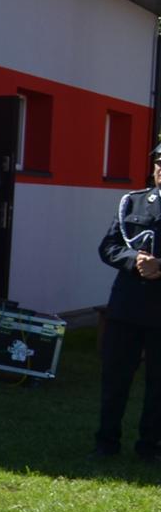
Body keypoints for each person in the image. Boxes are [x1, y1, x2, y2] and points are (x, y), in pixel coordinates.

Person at [93, 144, 161, 463]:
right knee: (115, 377)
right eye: (160, 163)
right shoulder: (132, 201)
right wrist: (134, 260)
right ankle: (106, 441)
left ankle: (150, 445)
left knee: (158, 385)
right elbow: (108, 246)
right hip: (127, 306)